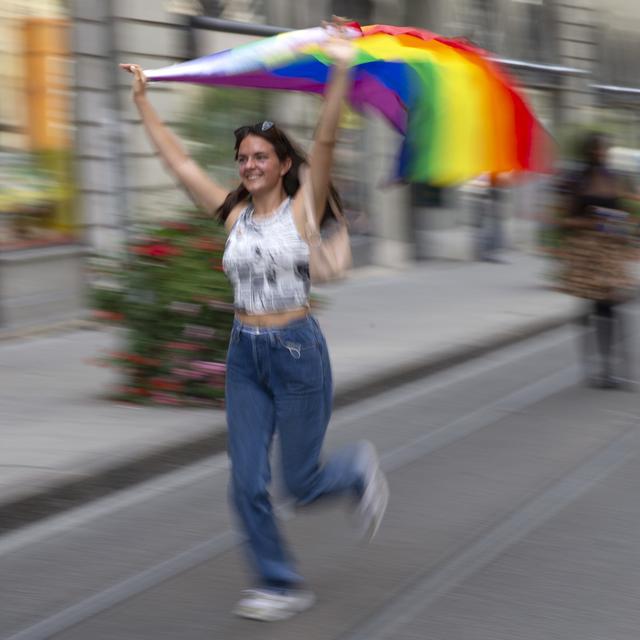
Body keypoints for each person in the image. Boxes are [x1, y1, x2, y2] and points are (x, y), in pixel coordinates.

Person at [121, 28, 389, 622]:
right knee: (244, 482)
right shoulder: (231, 215)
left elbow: (326, 139)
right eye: (242, 158)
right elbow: (179, 163)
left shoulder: (302, 206)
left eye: (259, 156)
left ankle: (353, 471)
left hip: (297, 355)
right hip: (245, 355)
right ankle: (280, 583)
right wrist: (144, 99)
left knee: (299, 483)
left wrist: (340, 69)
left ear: (283, 163)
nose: (247, 165)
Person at [556, 132, 638, 388]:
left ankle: (608, 369)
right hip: (586, 251)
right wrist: (589, 222)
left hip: (609, 250)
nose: (603, 153)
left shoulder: (613, 178)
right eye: (599, 149)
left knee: (609, 306)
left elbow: (624, 211)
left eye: (606, 149)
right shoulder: (576, 180)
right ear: (589, 151)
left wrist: (626, 234)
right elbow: (564, 220)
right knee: (597, 307)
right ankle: (601, 368)